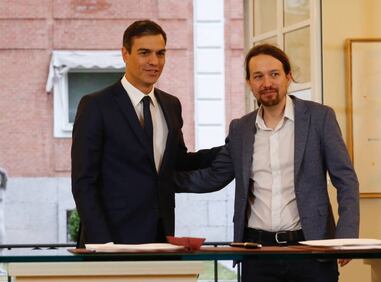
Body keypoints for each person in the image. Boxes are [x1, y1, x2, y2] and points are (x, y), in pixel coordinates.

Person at [175, 44, 359, 282]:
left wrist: (346, 236)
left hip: (312, 250)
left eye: (274, 74)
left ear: (288, 76)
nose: (267, 83)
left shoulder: (320, 118)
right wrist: (161, 182)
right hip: (257, 255)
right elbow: (214, 176)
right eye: (258, 76)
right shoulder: (240, 129)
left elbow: (346, 180)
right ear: (249, 83)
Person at [71, 20, 219, 247]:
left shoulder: (171, 105)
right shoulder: (96, 105)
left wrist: (230, 149)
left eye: (160, 53)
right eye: (144, 53)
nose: (154, 61)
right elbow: (84, 182)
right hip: (110, 241)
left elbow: (177, 162)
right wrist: (103, 244)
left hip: (160, 236)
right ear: (125, 54)